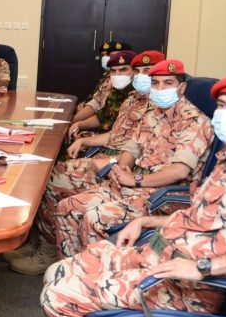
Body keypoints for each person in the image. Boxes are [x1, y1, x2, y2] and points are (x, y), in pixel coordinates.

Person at [41, 74, 226, 317]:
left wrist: (203, 268)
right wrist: (145, 221)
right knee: (56, 271)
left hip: (184, 287)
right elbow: (199, 218)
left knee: (57, 296)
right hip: (159, 255)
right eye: (223, 105)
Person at [8, 51, 164, 274]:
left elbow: (145, 156)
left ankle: (51, 250)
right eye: (138, 71)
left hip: (125, 170)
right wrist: (86, 140)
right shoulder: (133, 99)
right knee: (49, 174)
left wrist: (114, 162)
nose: (141, 77)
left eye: (147, 72)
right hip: (115, 160)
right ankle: (44, 242)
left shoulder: (163, 110)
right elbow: (116, 136)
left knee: (53, 179)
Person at [51, 59, 213, 260]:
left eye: (168, 83)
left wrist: (135, 180)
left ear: (182, 87)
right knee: (66, 207)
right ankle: (70, 267)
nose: (160, 88)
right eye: (156, 83)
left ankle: (96, 272)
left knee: (93, 218)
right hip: (130, 186)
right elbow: (131, 149)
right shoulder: (151, 115)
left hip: (160, 197)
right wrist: (122, 169)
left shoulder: (195, 122)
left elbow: (179, 172)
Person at [66, 50, 136, 137]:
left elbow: (122, 134)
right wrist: (79, 124)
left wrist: (85, 139)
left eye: (123, 70)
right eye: (113, 71)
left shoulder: (137, 94)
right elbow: (103, 115)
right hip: (107, 133)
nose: (117, 75)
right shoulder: (117, 89)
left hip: (119, 138)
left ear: (135, 72)